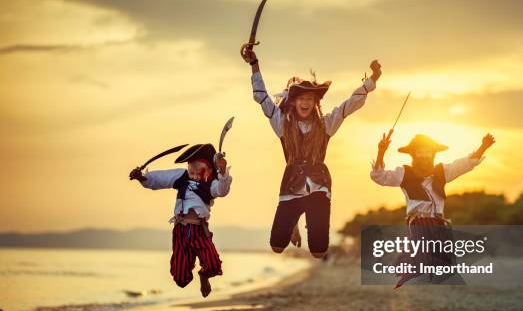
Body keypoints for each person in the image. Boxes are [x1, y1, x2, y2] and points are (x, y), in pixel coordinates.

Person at [242, 47, 381, 258]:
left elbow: (349, 105)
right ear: (294, 102)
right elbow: (262, 98)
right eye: (301, 99)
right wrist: (254, 65)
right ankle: (294, 222)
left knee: (318, 251)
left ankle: (306, 217)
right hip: (291, 185)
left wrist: (371, 81)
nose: (305, 102)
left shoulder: (326, 125)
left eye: (310, 99)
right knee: (277, 246)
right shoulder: (282, 124)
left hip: (319, 188)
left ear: (315, 104)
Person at [371, 132, 495, 286]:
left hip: (438, 223)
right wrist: (381, 152)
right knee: (419, 258)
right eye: (420, 152)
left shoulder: (442, 172)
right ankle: (407, 267)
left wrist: (483, 147)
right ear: (413, 154)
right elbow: (379, 176)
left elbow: (464, 164)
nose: (424, 155)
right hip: (418, 222)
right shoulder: (404, 173)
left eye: (428, 151)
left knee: (444, 263)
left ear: (433, 154)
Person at [129, 144, 232, 297]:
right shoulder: (182, 176)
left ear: (209, 170)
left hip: (199, 231)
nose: (195, 174)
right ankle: (184, 273)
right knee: (180, 277)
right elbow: (161, 179)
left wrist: (223, 171)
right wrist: (142, 177)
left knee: (213, 265)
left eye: (199, 171)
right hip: (181, 231)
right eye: (192, 170)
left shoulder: (211, 184)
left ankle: (204, 276)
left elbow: (222, 190)